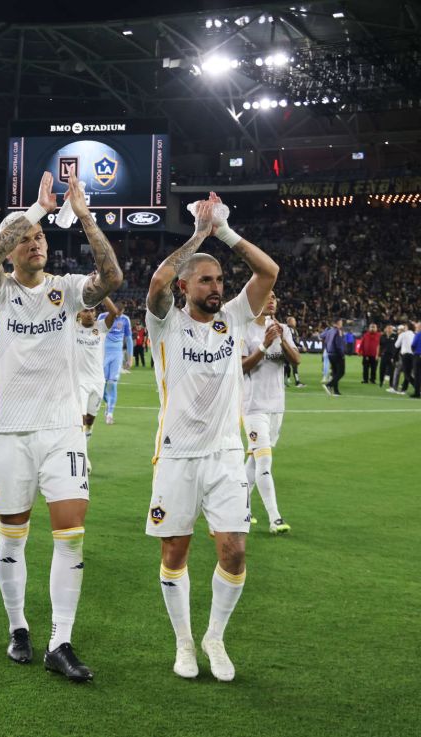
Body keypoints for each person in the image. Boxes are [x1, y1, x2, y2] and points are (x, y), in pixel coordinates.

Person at [0, 173, 122, 682]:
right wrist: (34, 212)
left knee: (71, 536)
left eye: (39, 237)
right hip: (10, 430)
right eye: (25, 239)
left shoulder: (67, 291)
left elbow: (112, 279)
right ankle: (18, 626)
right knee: (12, 537)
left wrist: (83, 216)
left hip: (63, 429)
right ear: (13, 248)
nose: (35, 243)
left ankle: (61, 640)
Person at [144, 192, 278, 683]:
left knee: (234, 550)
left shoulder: (234, 318)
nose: (217, 286)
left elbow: (269, 273)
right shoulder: (165, 322)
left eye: (220, 279)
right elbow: (157, 281)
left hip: (224, 453)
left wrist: (224, 232)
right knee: (174, 552)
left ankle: (214, 637)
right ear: (186, 286)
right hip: (177, 455)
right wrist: (199, 233)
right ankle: (183, 641)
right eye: (207, 279)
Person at [241, 292, 299, 534]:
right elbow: (241, 366)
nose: (272, 299)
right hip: (253, 407)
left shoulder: (283, 328)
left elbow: (296, 360)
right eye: (267, 296)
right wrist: (264, 344)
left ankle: (240, 509)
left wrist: (281, 338)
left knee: (254, 460)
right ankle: (275, 518)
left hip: (277, 406)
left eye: (275, 296)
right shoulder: (244, 330)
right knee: (264, 461)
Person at [75, 296, 121, 472]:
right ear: (79, 313)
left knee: (90, 420)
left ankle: (83, 450)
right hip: (80, 381)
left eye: (92, 310)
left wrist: (101, 294)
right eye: (85, 310)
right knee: (79, 421)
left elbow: (114, 312)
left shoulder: (100, 328)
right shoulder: (72, 328)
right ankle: (82, 457)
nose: (89, 314)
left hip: (97, 381)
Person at [101, 301, 133, 424]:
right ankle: (108, 402)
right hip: (103, 354)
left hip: (117, 355)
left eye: (120, 314)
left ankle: (110, 413)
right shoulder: (102, 317)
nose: (118, 316)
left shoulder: (125, 320)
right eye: (116, 314)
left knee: (112, 383)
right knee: (102, 384)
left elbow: (129, 339)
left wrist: (130, 358)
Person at [320, 319, 346, 396]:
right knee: (341, 372)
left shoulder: (329, 330)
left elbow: (321, 336)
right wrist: (342, 354)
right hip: (337, 354)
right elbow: (338, 345)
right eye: (341, 323)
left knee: (335, 372)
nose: (342, 324)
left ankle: (336, 391)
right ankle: (329, 385)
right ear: (338, 323)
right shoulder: (338, 331)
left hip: (330, 354)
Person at [393, 322, 415, 394]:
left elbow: (396, 345)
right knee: (409, 373)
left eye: (405, 326)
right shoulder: (414, 335)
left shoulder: (403, 334)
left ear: (407, 327)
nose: (404, 328)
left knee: (407, 374)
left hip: (405, 355)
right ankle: (403, 389)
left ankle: (417, 387)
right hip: (414, 355)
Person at [284, 316, 305, 387]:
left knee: (288, 366)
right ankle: (295, 382)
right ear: (289, 322)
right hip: (288, 350)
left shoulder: (293, 330)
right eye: (294, 321)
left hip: (291, 349)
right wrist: (301, 346)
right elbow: (292, 341)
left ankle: (291, 381)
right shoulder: (287, 330)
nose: (295, 322)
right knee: (289, 366)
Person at [379, 324, 398, 390]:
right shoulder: (382, 336)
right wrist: (379, 353)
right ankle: (381, 382)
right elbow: (380, 345)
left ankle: (391, 384)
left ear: (392, 329)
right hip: (384, 355)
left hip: (391, 356)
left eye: (390, 328)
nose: (389, 329)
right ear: (386, 329)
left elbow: (397, 346)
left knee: (391, 370)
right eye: (388, 328)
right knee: (382, 369)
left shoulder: (395, 336)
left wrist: (395, 356)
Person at [411, 321, 421, 399]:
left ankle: (417, 393)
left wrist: (415, 352)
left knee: (417, 375)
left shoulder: (419, 334)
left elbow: (413, 345)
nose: (416, 328)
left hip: (419, 356)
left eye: (417, 327)